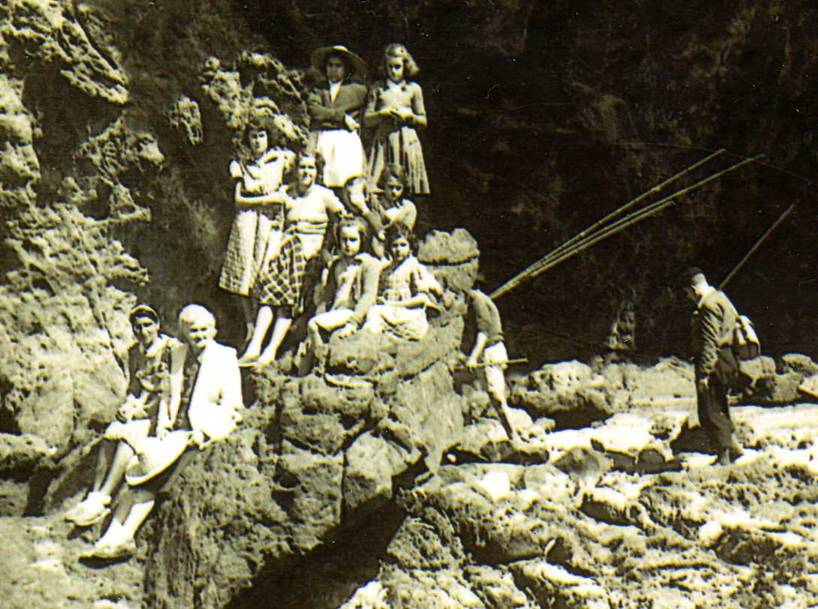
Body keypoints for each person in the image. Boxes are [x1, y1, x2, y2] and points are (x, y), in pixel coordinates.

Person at [82, 304, 243, 560]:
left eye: (204, 330)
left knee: (150, 482)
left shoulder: (224, 356)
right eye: (193, 331)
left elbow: (232, 405)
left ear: (213, 330)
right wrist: (164, 424)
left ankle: (126, 536)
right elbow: (168, 395)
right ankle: (109, 538)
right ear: (184, 333)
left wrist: (206, 431)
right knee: (135, 472)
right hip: (173, 431)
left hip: (198, 432)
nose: (199, 335)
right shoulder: (178, 354)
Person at [65, 304, 186, 527]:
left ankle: (106, 495)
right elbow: (133, 388)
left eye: (148, 325)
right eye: (137, 327)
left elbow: (170, 389)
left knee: (128, 437)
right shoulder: (134, 352)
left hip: (158, 410)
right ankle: (95, 494)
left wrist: (160, 418)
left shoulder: (170, 349)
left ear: (157, 325)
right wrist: (129, 405)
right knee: (111, 434)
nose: (143, 331)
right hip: (139, 408)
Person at [241, 153, 346, 368]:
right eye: (302, 168)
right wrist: (268, 259)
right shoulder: (287, 194)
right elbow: (277, 230)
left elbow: (342, 219)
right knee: (269, 295)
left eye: (311, 168)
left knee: (287, 302)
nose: (306, 172)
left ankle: (270, 351)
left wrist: (328, 250)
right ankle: (254, 347)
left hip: (311, 257)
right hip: (286, 253)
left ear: (317, 171)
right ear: (295, 170)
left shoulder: (324, 195)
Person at [218, 121, 294, 344]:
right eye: (253, 136)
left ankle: (264, 329)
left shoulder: (280, 160)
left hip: (269, 220)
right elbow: (239, 200)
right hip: (247, 218)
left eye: (261, 135)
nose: (257, 140)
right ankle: (249, 325)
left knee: (263, 269)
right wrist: (267, 199)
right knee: (243, 270)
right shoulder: (241, 165)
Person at [682, 267, 743, 465]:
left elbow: (710, 343)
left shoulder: (708, 305)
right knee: (720, 404)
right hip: (728, 359)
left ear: (693, 289)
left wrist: (704, 375)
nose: (688, 297)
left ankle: (723, 457)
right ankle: (733, 447)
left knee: (710, 409)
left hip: (715, 362)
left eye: (687, 293)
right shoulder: (722, 298)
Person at [305, 217, 381, 372]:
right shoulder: (336, 264)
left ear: (362, 240)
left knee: (313, 325)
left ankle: (321, 361)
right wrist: (321, 311)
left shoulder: (368, 264)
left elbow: (369, 296)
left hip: (352, 312)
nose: (347, 244)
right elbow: (328, 297)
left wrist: (354, 321)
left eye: (353, 240)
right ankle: (303, 377)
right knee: (305, 346)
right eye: (344, 239)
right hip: (336, 311)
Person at [364, 44, 430, 196]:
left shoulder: (413, 89)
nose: (394, 71)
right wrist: (382, 114)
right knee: (381, 186)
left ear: (405, 66)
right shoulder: (377, 88)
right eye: (390, 66)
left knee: (407, 185)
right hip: (384, 140)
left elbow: (423, 120)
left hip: (406, 141)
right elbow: (367, 120)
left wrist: (409, 116)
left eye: (398, 67)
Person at [362, 223, 442, 341]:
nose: (398, 250)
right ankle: (371, 338)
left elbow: (421, 299)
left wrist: (394, 305)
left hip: (408, 312)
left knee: (380, 314)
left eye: (403, 245)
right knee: (374, 314)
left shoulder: (413, 266)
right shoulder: (385, 270)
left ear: (410, 247)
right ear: (388, 247)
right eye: (394, 245)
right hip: (390, 312)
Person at [462, 288, 521, 444]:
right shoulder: (480, 298)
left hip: (490, 351)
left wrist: (473, 357)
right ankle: (513, 433)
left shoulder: (477, 301)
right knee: (495, 397)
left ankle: (514, 436)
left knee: (497, 397)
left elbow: (483, 333)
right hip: (491, 351)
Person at [307, 44, 368, 189]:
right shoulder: (318, 88)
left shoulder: (357, 91)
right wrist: (341, 117)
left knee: (346, 179)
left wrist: (328, 115)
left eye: (338, 66)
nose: (333, 70)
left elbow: (359, 118)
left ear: (346, 68)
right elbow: (314, 110)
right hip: (321, 135)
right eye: (330, 65)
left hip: (345, 138)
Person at [367, 164, 417, 258]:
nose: (394, 192)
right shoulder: (376, 204)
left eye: (398, 188)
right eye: (390, 187)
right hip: (378, 245)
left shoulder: (407, 207)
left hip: (398, 246)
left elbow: (406, 233)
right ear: (383, 185)